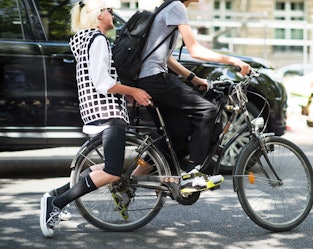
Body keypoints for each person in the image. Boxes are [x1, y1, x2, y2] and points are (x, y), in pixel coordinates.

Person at [39, 0, 152, 238]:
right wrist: (133, 91)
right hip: (107, 113)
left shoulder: (84, 39)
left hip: (94, 111)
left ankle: (53, 195)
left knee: (105, 167)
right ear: (98, 15)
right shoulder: (98, 40)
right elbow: (103, 83)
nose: (112, 14)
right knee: (112, 171)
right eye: (109, 10)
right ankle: (56, 203)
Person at [137, 0, 251, 192]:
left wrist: (193, 78)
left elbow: (166, 58)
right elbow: (194, 49)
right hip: (155, 79)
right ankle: (193, 175)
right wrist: (233, 60)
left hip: (149, 79)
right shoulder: (177, 7)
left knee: (177, 133)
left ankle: (129, 182)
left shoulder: (168, 7)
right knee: (208, 110)